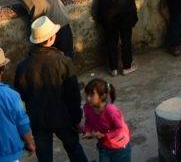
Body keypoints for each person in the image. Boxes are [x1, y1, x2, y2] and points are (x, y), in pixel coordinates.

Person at [13, 16, 87, 162]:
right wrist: (77, 118)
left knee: (44, 156)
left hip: (38, 119)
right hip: (63, 116)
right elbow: (73, 96)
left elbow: (21, 94)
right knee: (74, 148)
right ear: (52, 38)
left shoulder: (23, 66)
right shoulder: (64, 61)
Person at [80, 79, 131, 162]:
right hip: (104, 146)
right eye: (86, 94)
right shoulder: (87, 107)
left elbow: (119, 128)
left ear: (102, 96)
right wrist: (87, 131)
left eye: (92, 94)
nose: (88, 98)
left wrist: (104, 135)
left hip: (120, 147)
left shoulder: (111, 110)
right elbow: (89, 122)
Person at [0, 47, 34, 161]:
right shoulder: (11, 95)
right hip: (8, 154)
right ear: (3, 68)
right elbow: (22, 124)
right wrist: (30, 143)